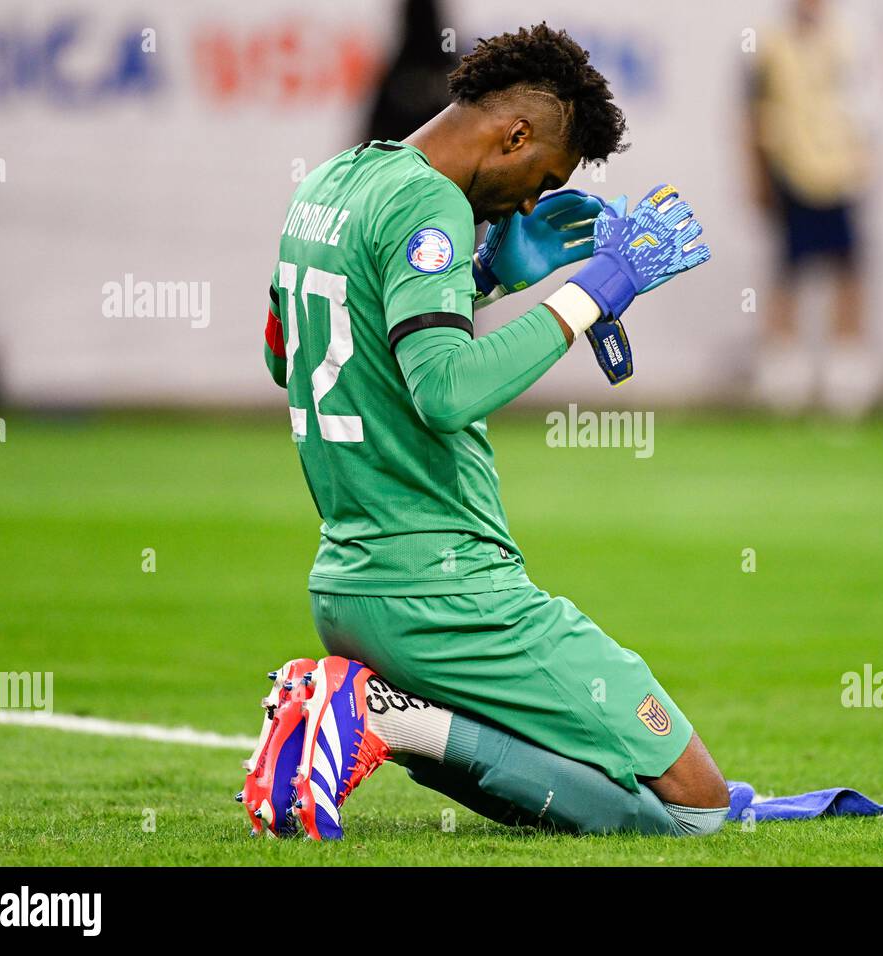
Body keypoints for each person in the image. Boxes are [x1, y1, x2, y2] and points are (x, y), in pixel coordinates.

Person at [242, 24, 728, 840]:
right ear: (514, 134)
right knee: (695, 806)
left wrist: (482, 277)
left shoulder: (333, 179)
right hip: (449, 591)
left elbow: (284, 351)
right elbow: (445, 391)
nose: (536, 200)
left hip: (349, 589)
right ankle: (380, 716)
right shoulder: (429, 199)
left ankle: (377, 710)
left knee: (576, 793)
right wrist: (594, 292)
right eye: (544, 177)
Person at [746, 0, 875, 415]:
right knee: (788, 272)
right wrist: (758, 175)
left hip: (839, 174)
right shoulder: (768, 45)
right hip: (791, 170)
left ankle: (846, 384)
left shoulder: (849, 40)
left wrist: (864, 160)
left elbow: (866, 108)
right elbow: (752, 115)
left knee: (848, 272)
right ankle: (785, 384)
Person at [361, 0, 459, 144]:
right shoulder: (447, 65)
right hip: (441, 158)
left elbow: (375, 136)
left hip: (401, 160)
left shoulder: (396, 71)